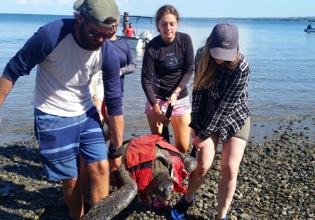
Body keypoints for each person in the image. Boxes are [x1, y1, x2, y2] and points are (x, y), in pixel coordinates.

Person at [0, 0, 124, 219]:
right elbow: (13, 69)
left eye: (109, 34)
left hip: (86, 112)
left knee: (102, 167)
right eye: (96, 33)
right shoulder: (51, 35)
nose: (103, 40)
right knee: (73, 178)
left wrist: (116, 149)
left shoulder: (107, 50)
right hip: (51, 113)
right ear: (80, 19)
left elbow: (114, 102)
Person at [171, 22, 250, 220]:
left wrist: (202, 135)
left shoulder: (242, 67)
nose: (221, 60)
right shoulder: (201, 56)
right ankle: (187, 199)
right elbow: (198, 92)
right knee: (203, 165)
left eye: (226, 55)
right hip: (207, 114)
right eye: (217, 54)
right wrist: (195, 125)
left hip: (235, 115)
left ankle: (220, 216)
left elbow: (225, 109)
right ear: (209, 45)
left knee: (230, 169)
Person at [141, 5, 194, 154]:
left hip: (179, 97)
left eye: (172, 24)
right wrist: (157, 110)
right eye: (164, 24)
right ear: (157, 24)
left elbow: (189, 69)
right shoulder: (152, 47)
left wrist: (176, 92)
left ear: (177, 23)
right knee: (159, 146)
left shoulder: (184, 40)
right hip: (156, 99)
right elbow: (145, 81)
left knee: (183, 147)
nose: (168, 28)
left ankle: (176, 171)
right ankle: (164, 174)